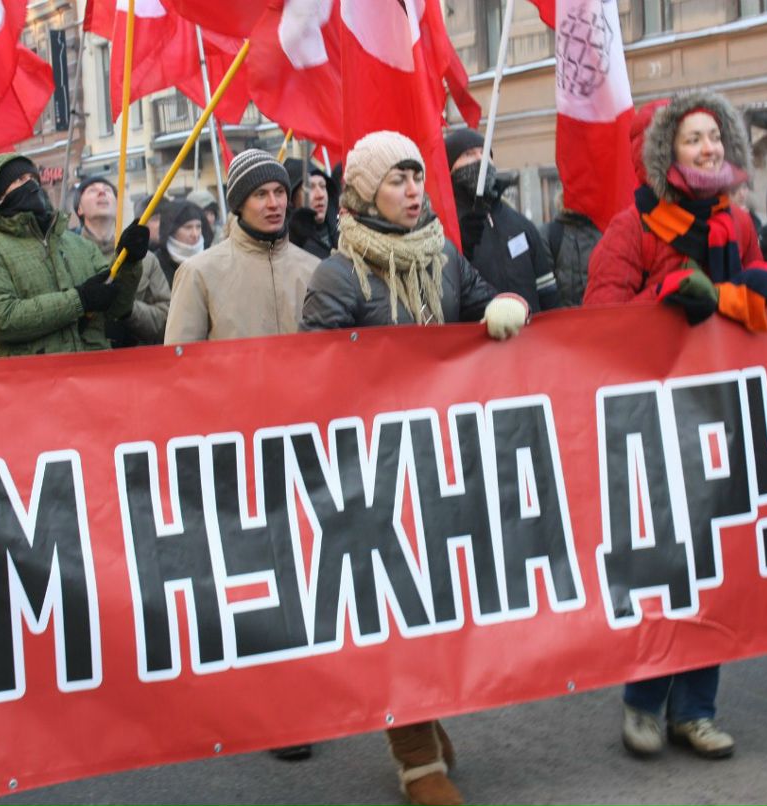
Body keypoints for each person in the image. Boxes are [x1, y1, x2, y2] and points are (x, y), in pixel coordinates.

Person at [300, 130, 530, 806]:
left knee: (437, 604)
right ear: (367, 192)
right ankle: (415, 758)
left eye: (417, 178)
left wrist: (500, 306)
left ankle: (426, 716)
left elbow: (476, 299)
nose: (412, 191)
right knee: (393, 613)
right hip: (372, 471)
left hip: (440, 461)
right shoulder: (339, 274)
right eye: (398, 181)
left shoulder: (444, 256)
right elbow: (314, 375)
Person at [584, 91, 767, 761]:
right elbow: (601, 321)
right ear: (666, 152)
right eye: (694, 138)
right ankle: (645, 702)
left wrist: (763, 285)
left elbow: (757, 312)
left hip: (725, 418)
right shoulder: (633, 228)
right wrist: (663, 299)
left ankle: (696, 711)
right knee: (669, 567)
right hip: (654, 424)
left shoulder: (740, 223)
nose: (708, 149)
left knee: (719, 567)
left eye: (716, 138)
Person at [0, 154, 146, 358]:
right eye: (19, 180)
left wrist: (130, 263)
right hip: (32, 382)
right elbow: (0, 318)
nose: (30, 184)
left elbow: (116, 309)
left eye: (33, 178)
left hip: (92, 374)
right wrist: (79, 300)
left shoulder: (81, 245)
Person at [165, 149, 319, 344]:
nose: (274, 203)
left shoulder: (314, 268)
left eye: (279, 192)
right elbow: (181, 361)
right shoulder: (198, 273)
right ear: (239, 204)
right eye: (261, 194)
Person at [444, 128, 557, 312]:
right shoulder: (445, 229)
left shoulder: (520, 224)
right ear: (449, 167)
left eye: (485, 153)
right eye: (468, 154)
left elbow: (546, 291)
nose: (481, 159)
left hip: (530, 336)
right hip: (476, 336)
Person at [70, 174, 170, 347]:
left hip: (134, 363)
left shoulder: (144, 259)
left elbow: (167, 319)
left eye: (108, 190)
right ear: (79, 209)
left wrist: (128, 308)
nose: (102, 192)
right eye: (92, 190)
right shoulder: (66, 256)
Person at [540, 191, 601, 307]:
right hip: (562, 321)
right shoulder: (549, 234)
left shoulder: (605, 231)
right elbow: (545, 291)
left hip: (597, 318)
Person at [284, 156, 339, 259]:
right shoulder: (285, 247)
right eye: (310, 187)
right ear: (292, 200)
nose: (320, 195)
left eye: (322, 186)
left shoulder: (344, 233)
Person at [154, 199, 208, 287]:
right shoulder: (157, 262)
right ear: (172, 230)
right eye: (188, 227)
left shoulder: (209, 256)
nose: (195, 234)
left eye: (198, 227)